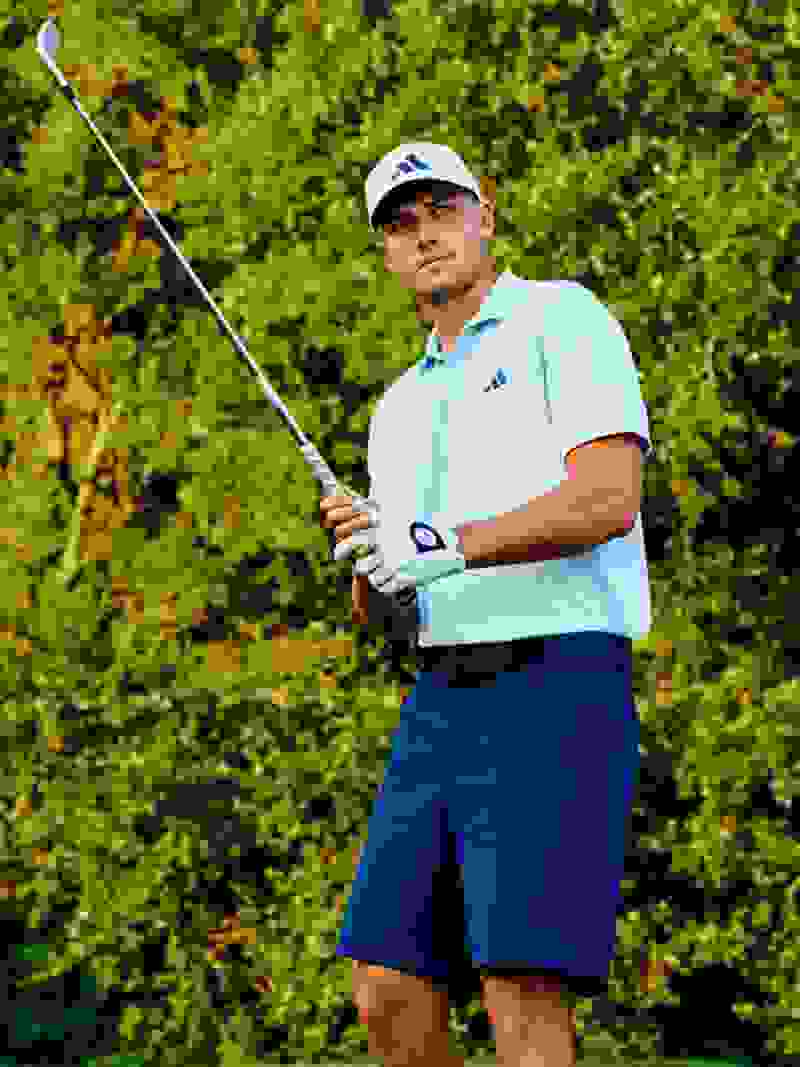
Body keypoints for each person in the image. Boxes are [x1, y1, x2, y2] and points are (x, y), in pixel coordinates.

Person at [319, 142, 652, 1067]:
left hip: (558, 674)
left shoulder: (563, 319)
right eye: (400, 223)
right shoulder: (394, 408)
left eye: (440, 210)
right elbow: (391, 612)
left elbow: (608, 497)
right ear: (386, 255)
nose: (423, 235)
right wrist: (367, 562)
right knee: (385, 982)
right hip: (441, 695)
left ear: (484, 214)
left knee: (521, 985)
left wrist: (436, 542)